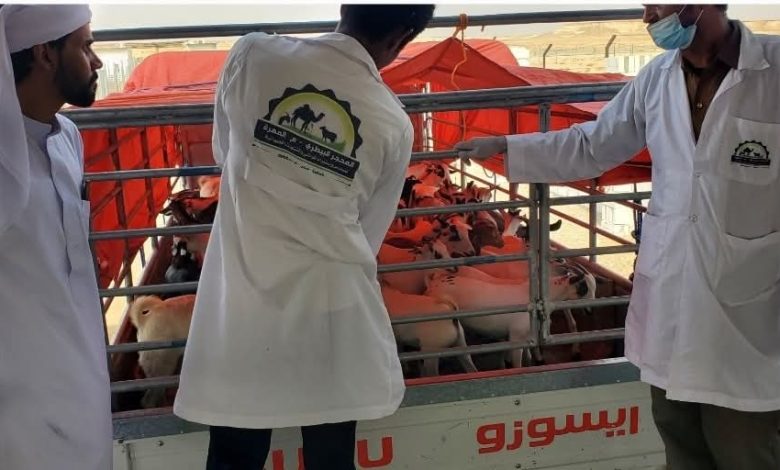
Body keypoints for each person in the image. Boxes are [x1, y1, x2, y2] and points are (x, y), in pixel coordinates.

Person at [455, 4, 780, 468]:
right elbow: (593, 145)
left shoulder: (773, 70)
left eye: (657, 4)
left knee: (743, 451)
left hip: (748, 314)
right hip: (670, 304)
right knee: (681, 444)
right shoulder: (655, 79)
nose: (648, 16)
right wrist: (507, 147)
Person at [173, 4, 436, 469]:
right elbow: (368, 234)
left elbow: (224, 151)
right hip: (331, 311)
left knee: (235, 452)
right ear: (403, 36)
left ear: (345, 8)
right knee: (330, 451)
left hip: (245, 304)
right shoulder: (392, 122)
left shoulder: (254, 55)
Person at [0, 4, 111, 469]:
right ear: (45, 54)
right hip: (20, 399)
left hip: (82, 373)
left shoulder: (67, 137)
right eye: (85, 47)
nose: (97, 61)